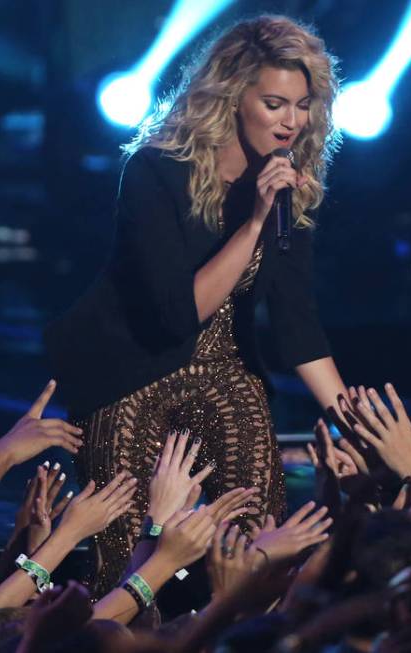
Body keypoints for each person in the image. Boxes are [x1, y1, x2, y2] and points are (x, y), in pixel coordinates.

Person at [43, 14, 347, 593]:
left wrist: (354, 422)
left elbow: (297, 327)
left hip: (223, 372)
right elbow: (175, 315)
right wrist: (254, 220)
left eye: (303, 105)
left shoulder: (286, 185)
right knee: (128, 561)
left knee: (264, 543)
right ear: (233, 96)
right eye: (276, 103)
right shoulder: (154, 171)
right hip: (128, 371)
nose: (292, 122)